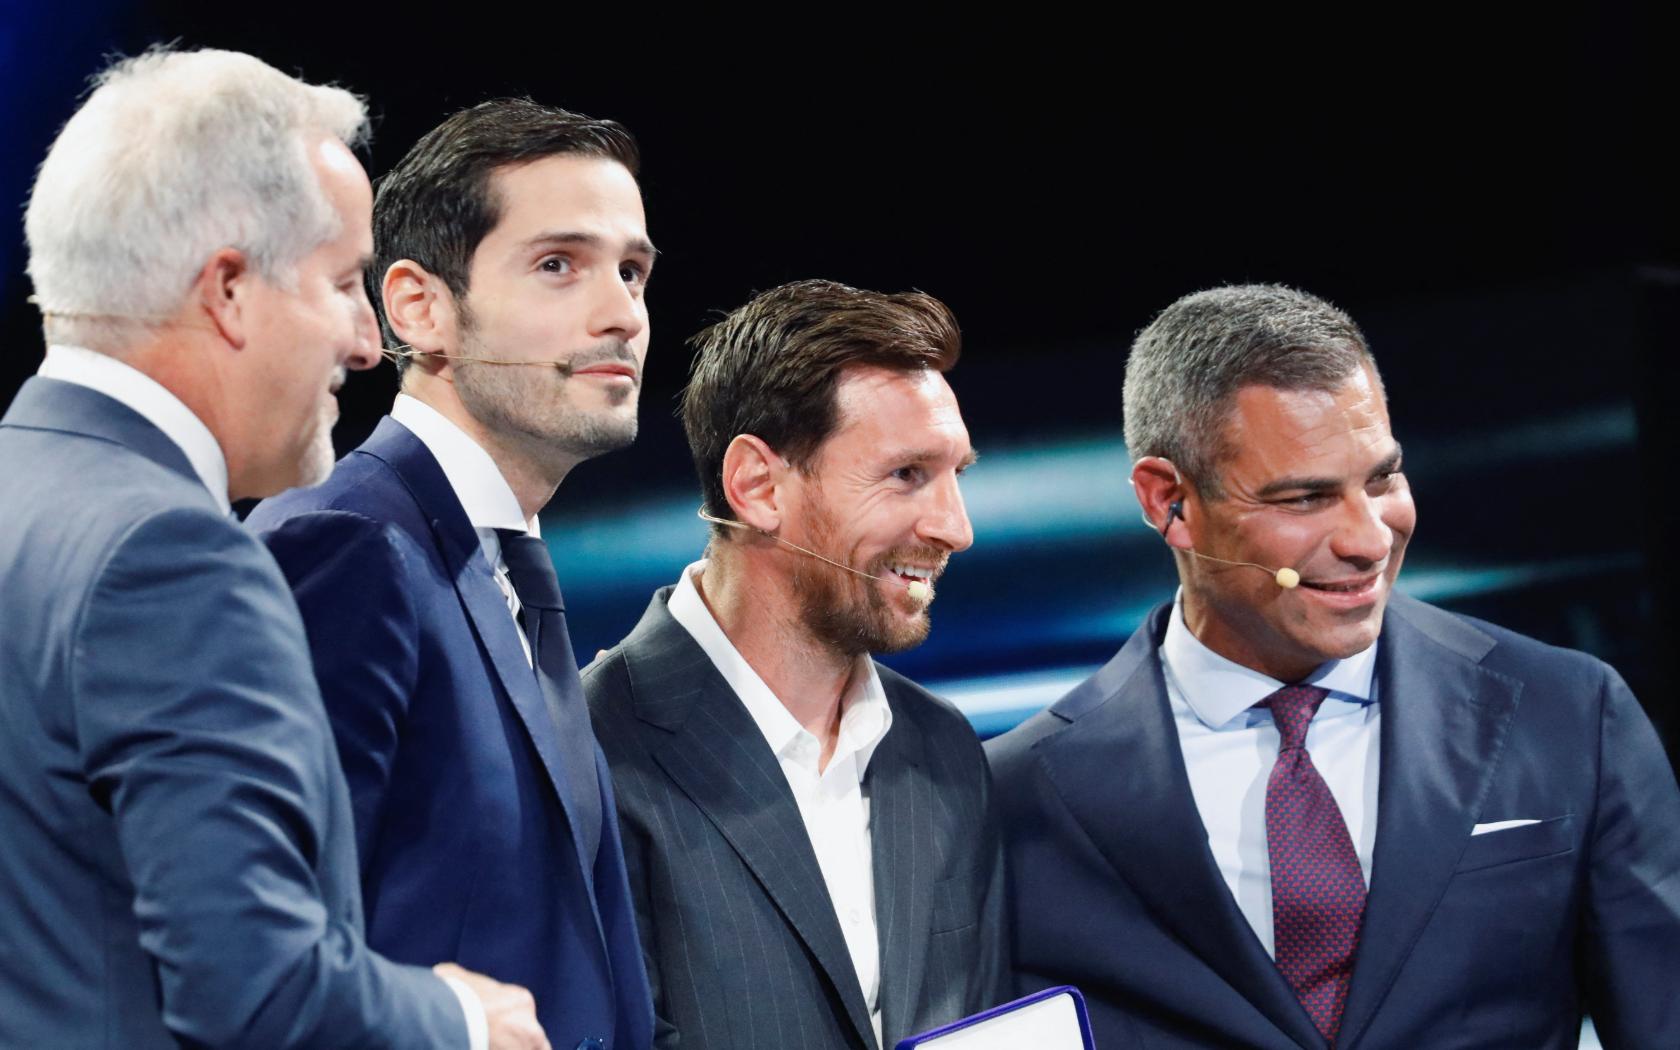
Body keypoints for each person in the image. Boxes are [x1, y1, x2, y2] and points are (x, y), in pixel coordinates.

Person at [0, 49, 545, 1049]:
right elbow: (254, 997)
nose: (364, 342)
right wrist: (466, 1021)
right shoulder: (170, 557)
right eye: (343, 282)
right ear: (229, 291)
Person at [986, 283, 1680, 1049]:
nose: (1369, 539)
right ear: (1170, 502)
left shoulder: (1569, 714)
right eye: (1306, 498)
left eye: (1381, 479)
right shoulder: (1017, 795)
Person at [246, 98, 656, 1050]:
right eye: (560, 265)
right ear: (419, 307)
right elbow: (268, 967)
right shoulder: (340, 548)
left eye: (632, 271)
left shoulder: (504, 565)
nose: (621, 313)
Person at [584, 279, 1006, 1050]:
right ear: (757, 486)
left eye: (957, 475)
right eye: (906, 474)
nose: (955, 526)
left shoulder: (945, 750)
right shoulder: (584, 754)